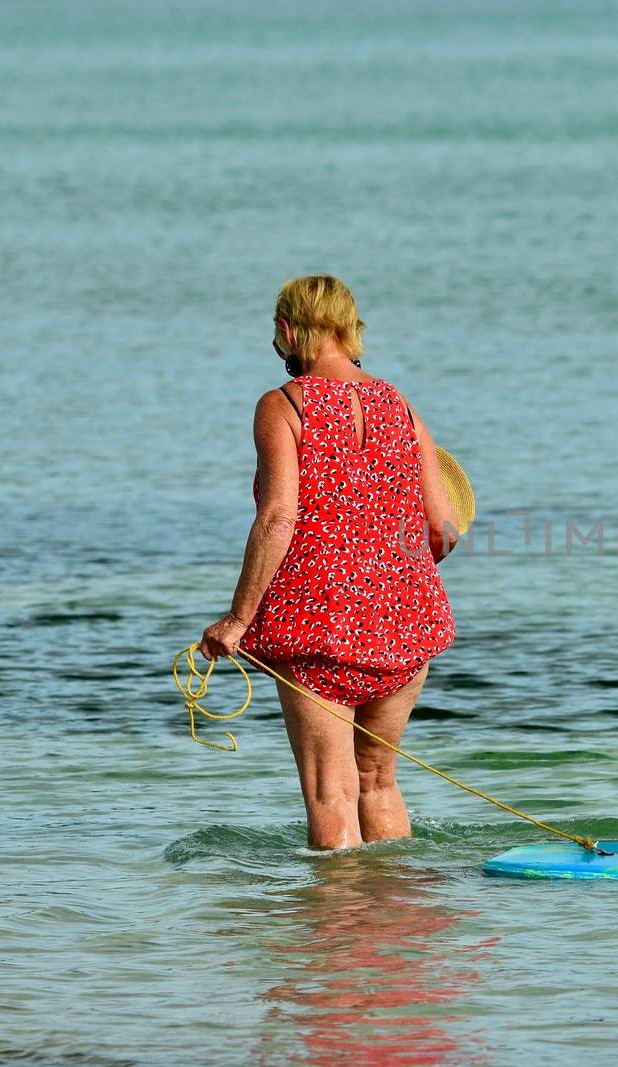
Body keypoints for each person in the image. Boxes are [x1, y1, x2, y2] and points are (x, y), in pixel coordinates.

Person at [198, 274, 460, 850]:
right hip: (408, 620)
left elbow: (277, 518)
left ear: (288, 330)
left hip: (317, 623)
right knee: (377, 780)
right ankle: (393, 915)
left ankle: (336, 933)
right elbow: (443, 530)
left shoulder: (283, 405)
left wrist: (237, 620)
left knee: (330, 793)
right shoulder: (399, 403)